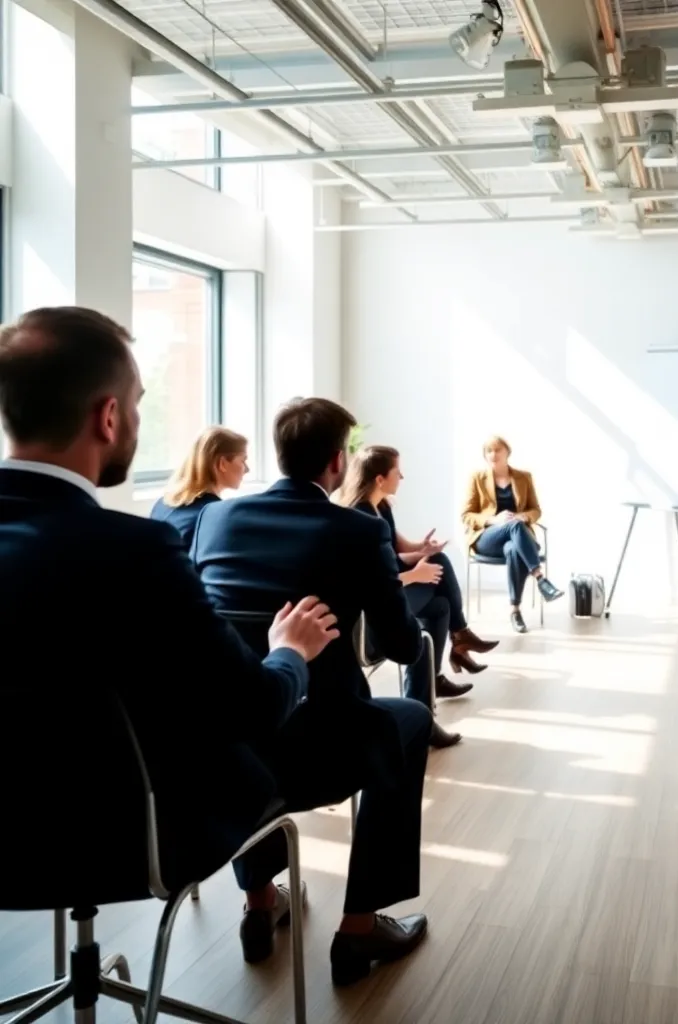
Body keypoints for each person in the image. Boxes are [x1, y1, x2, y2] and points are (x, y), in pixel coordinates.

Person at [0, 309, 423, 991]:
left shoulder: (198, 525)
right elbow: (252, 709)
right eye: (139, 404)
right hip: (133, 838)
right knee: (390, 723)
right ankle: (359, 925)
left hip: (11, 834)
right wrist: (290, 651)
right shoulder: (132, 552)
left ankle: (262, 898)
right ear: (109, 417)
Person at [337, 445, 498, 700]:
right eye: (397, 472)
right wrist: (415, 575)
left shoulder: (382, 507)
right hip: (374, 612)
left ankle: (434, 679)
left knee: (441, 604)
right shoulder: (361, 518)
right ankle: (460, 638)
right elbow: (370, 583)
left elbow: (394, 556)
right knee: (440, 570)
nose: (401, 478)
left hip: (390, 589)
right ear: (380, 479)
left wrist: (424, 551)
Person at [462, 436, 563, 633]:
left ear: (507, 452)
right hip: (487, 537)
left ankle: (515, 610)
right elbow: (466, 515)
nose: (493, 454)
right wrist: (494, 520)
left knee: (514, 548)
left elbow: (536, 510)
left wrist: (523, 516)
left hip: (517, 540)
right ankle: (540, 577)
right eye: (489, 451)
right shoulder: (477, 478)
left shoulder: (524, 477)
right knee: (514, 526)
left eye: (497, 450)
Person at [150, 425, 248, 548]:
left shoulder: (162, 504)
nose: (247, 469)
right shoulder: (216, 516)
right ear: (222, 464)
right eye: (243, 460)